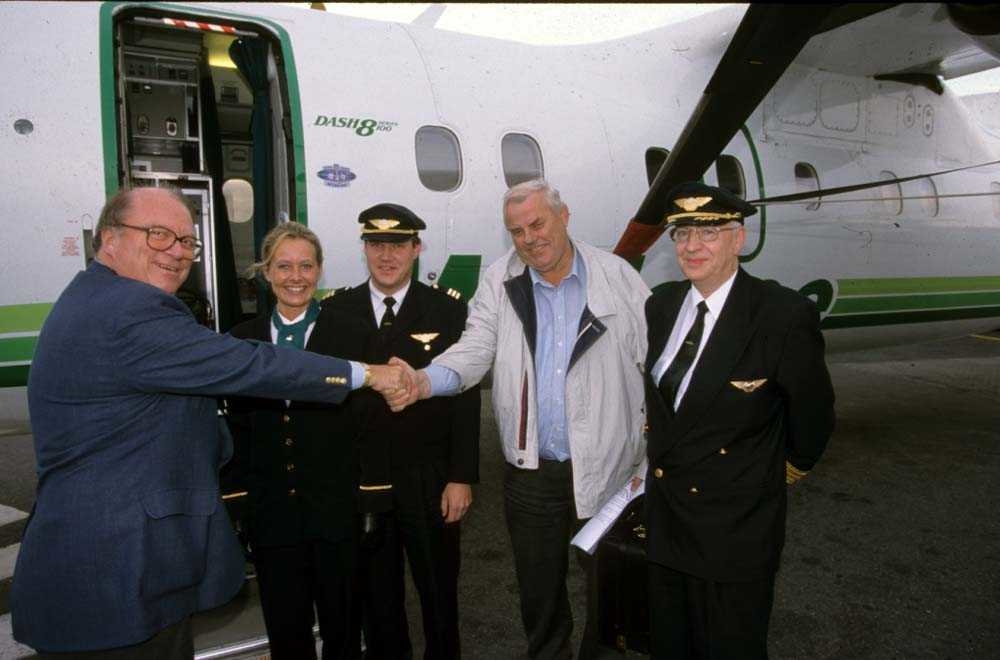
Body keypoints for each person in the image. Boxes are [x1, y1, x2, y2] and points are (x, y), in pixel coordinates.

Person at [11, 187, 409, 658]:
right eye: (158, 235)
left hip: (131, 564)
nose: (177, 252)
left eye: (185, 242)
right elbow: (250, 368)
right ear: (108, 238)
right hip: (115, 569)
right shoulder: (129, 310)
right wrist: (366, 372)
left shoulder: (98, 298)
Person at [393, 180, 649, 659]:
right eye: (517, 231)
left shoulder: (617, 277)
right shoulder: (499, 281)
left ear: (564, 216)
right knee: (539, 595)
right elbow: (475, 349)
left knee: (610, 591)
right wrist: (425, 381)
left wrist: (656, 451)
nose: (529, 238)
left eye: (537, 224)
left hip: (610, 469)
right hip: (531, 474)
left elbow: (654, 364)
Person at [642, 182, 835, 659]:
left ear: (738, 239)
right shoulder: (662, 305)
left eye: (708, 233)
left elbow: (813, 416)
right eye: (682, 234)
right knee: (671, 645)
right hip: (668, 522)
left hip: (736, 529)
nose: (692, 246)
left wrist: (770, 477)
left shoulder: (781, 314)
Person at [325, 203, 479, 659]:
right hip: (365, 477)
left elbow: (465, 393)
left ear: (417, 248)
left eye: (397, 245)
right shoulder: (337, 310)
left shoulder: (446, 309)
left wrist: (461, 475)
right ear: (364, 249)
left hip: (427, 474)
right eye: (375, 244)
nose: (386, 255)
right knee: (378, 595)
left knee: (437, 589)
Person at [224, 222, 362, 659]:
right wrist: (238, 498)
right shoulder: (240, 340)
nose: (295, 277)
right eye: (283, 266)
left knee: (343, 628)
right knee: (286, 631)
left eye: (305, 265)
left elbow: (367, 424)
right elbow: (235, 429)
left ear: (319, 271)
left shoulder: (351, 334)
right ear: (266, 273)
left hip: (334, 509)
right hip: (272, 513)